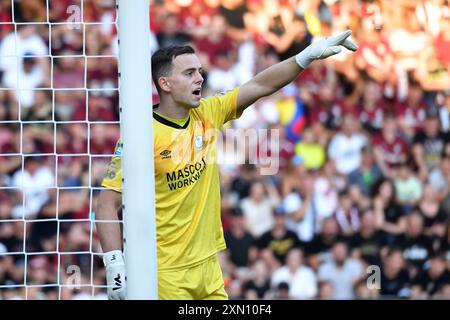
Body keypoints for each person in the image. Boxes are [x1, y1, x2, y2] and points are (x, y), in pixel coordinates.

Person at [96, 31, 358, 300]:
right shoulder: (141, 135)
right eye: (189, 73)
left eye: (199, 71)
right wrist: (115, 267)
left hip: (209, 267)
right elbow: (106, 203)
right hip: (165, 272)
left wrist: (304, 57)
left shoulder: (208, 112)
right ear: (165, 83)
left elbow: (259, 86)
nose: (200, 77)